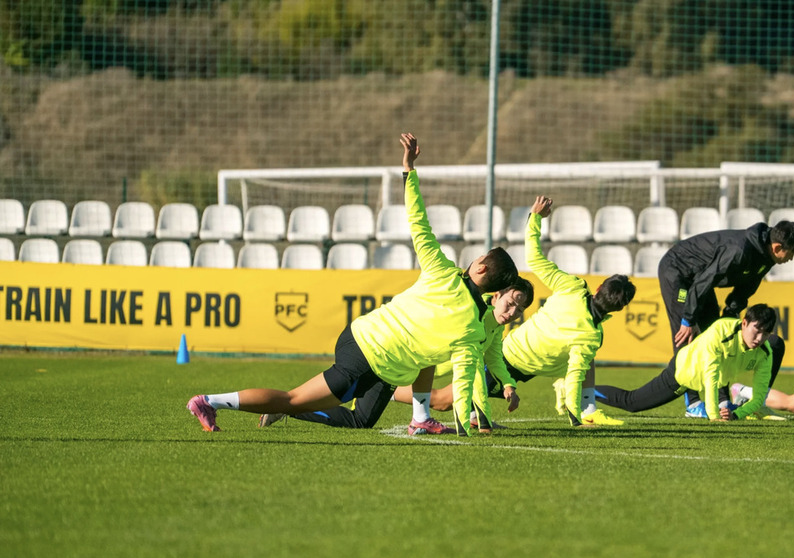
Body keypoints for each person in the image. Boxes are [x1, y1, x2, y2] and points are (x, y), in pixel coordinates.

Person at [185, 133, 519, 434]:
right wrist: (471, 424)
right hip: (369, 353)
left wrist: (409, 170)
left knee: (364, 418)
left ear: (480, 266)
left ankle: (420, 419)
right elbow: (465, 378)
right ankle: (209, 401)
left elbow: (418, 221)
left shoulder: (441, 269)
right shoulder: (472, 328)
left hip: (373, 348)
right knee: (292, 399)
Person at [430, 195, 636, 427]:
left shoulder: (572, 287)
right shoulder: (593, 335)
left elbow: (534, 258)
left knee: (585, 360)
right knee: (442, 401)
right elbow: (576, 373)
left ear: (598, 288)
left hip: (520, 358)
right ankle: (399, 392)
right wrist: (573, 412)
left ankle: (586, 408)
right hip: (509, 360)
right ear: (619, 309)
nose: (513, 311)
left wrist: (535, 219)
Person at [257, 278, 534, 434]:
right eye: (510, 303)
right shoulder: (474, 314)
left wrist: (508, 384)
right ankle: (426, 418)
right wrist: (481, 421)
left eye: (519, 310)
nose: (513, 313)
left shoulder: (495, 326)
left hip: (411, 368)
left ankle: (286, 407)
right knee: (443, 400)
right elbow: (472, 372)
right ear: (496, 295)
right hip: (403, 363)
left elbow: (492, 358)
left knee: (361, 421)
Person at [656, 217, 794, 417]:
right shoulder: (739, 249)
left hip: (700, 279)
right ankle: (692, 404)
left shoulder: (767, 256)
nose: (791, 259)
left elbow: (747, 287)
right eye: (791, 253)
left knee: (717, 337)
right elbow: (706, 280)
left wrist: (729, 313)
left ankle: (723, 400)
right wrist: (688, 318)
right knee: (686, 335)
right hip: (678, 271)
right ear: (777, 247)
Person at [594, 304, 777, 421]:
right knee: (631, 403)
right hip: (683, 371)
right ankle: (585, 391)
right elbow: (711, 375)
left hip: (705, 379)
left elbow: (759, 397)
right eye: (757, 330)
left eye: (766, 334)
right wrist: (714, 416)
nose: (759, 339)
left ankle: (696, 407)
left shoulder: (765, 352)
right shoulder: (721, 331)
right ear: (744, 323)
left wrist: (735, 415)